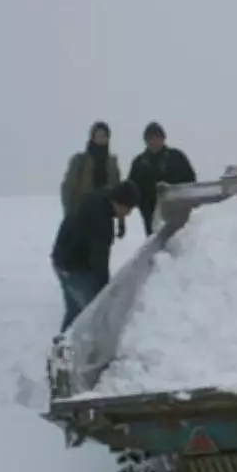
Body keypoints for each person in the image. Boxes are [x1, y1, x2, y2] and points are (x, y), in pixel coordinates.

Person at [51, 180, 139, 332]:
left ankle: (62, 348)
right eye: (128, 209)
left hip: (62, 258)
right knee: (91, 314)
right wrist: (104, 290)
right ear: (120, 203)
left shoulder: (99, 197)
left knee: (75, 311)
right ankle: (77, 349)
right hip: (71, 266)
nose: (129, 214)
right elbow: (99, 258)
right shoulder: (101, 220)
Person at [126, 121, 197, 236]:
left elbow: (191, 181)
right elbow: (131, 189)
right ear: (146, 141)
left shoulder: (177, 157)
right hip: (149, 214)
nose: (154, 142)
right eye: (150, 139)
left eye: (157, 138)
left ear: (163, 138)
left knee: (179, 243)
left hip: (178, 212)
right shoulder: (138, 163)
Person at [61, 121, 123, 234]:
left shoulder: (112, 163)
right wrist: (69, 215)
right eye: (98, 135)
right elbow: (67, 188)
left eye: (104, 136)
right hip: (82, 214)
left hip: (105, 215)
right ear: (92, 137)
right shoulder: (79, 160)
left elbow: (119, 192)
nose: (101, 138)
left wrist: (121, 221)